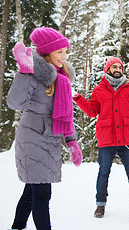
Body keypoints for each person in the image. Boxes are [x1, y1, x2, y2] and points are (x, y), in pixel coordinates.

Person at [7, 27, 82, 230]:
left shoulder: (63, 79)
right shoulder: (32, 75)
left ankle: (17, 226)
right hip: (32, 140)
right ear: (47, 52)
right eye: (59, 52)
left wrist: (71, 140)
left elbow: (66, 115)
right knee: (42, 194)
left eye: (66, 52)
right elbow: (15, 103)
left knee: (32, 190)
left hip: (49, 142)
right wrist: (23, 72)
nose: (64, 56)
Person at [72, 57, 129, 225]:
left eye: (120, 67)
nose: (118, 69)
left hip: (127, 139)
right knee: (103, 173)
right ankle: (100, 205)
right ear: (107, 69)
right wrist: (78, 98)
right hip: (106, 138)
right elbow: (92, 111)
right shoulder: (99, 90)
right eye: (114, 66)